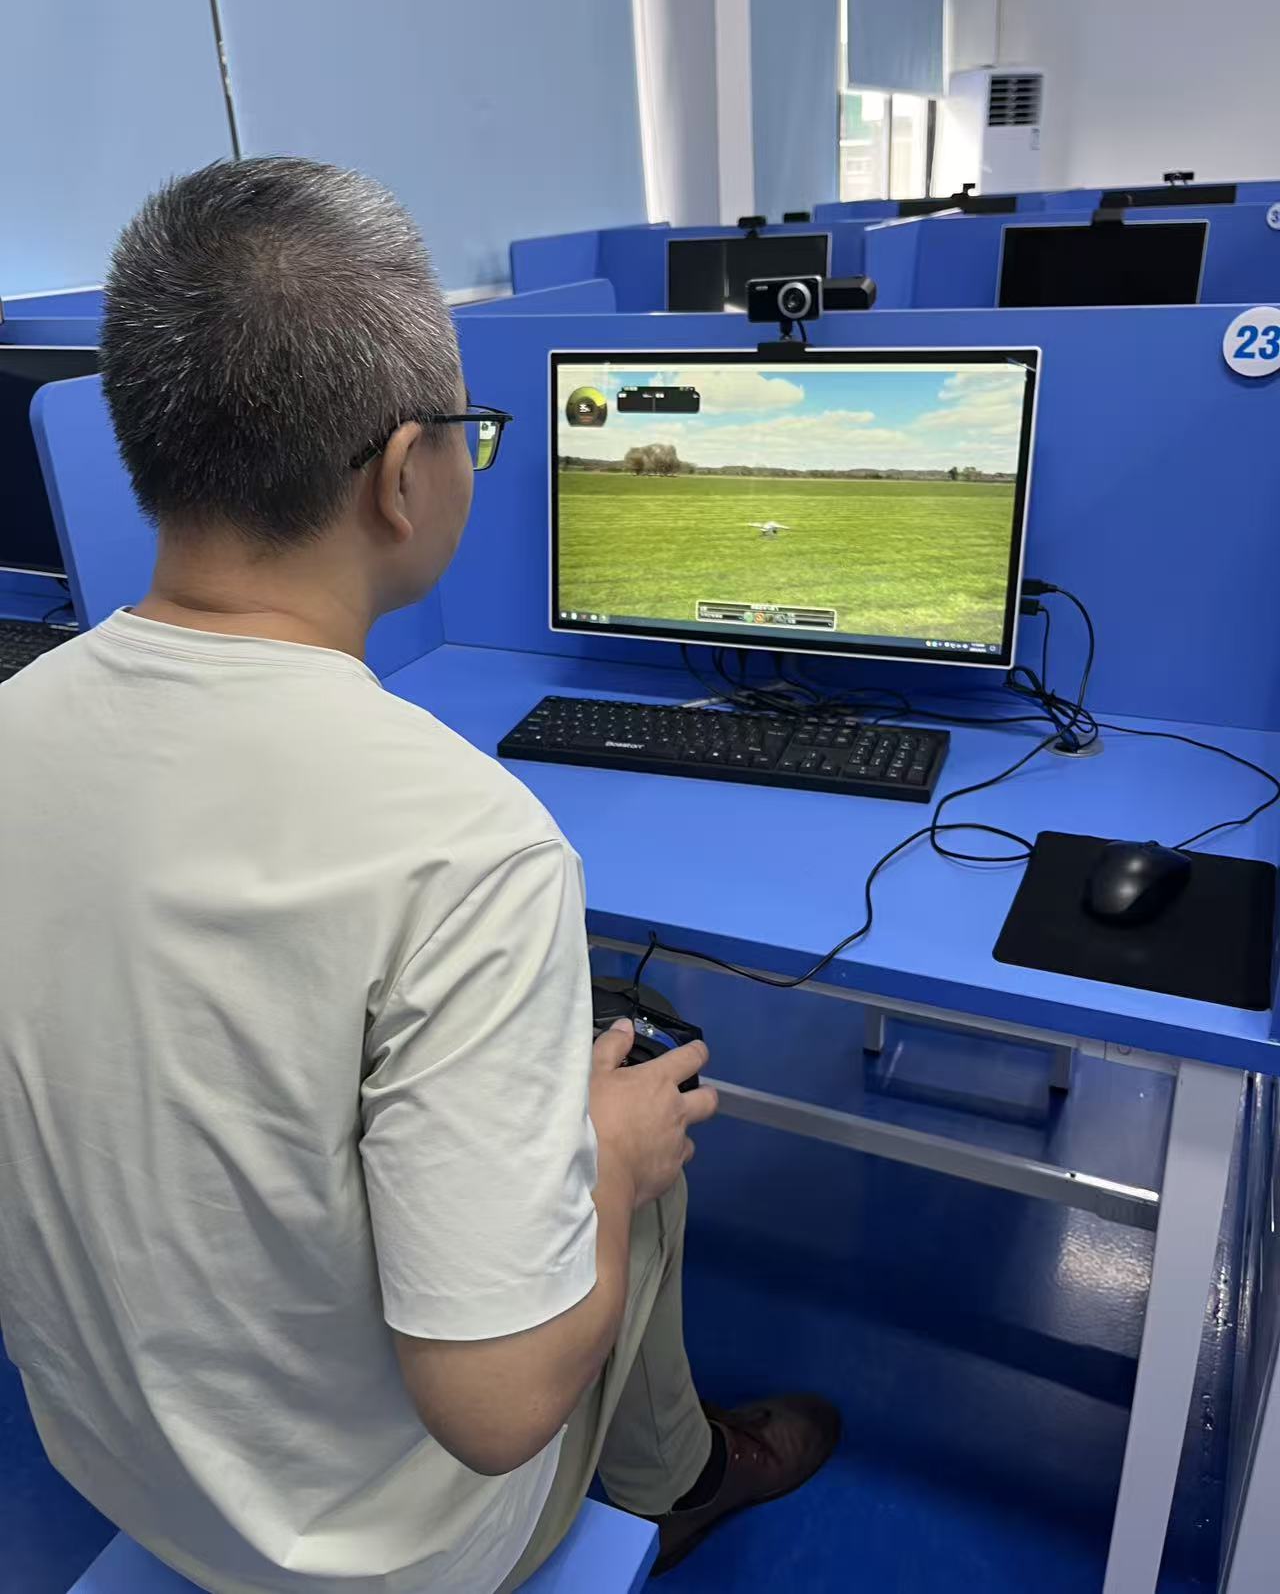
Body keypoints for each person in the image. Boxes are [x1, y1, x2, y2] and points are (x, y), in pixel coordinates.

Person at [0, 158, 839, 1594]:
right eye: (469, 434)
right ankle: (681, 1478)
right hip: (384, 1554)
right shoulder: (469, 848)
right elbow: (493, 1411)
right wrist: (608, 1168)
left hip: (116, 1465)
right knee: (631, 1084)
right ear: (404, 474)